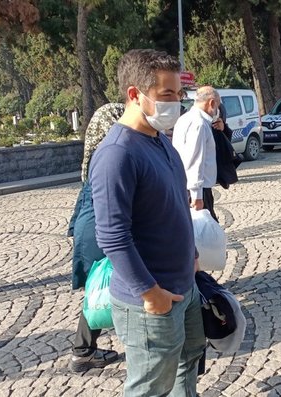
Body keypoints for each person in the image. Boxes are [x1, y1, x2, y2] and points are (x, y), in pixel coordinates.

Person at [89, 49, 205, 396]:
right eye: (166, 95)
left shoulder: (159, 141)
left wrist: (193, 254)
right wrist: (150, 293)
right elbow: (112, 236)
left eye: (179, 94)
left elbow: (175, 205)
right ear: (135, 95)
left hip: (184, 286)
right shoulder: (117, 154)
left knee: (188, 365)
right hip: (151, 301)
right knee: (149, 388)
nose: (176, 102)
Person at [67, 102, 124, 372]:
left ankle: (83, 350)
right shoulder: (111, 158)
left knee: (97, 290)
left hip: (87, 231)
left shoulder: (92, 160)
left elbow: (82, 200)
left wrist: (74, 230)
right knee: (105, 289)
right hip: (101, 233)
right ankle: (83, 352)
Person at [172, 86, 220, 221]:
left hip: (185, 185)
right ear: (211, 103)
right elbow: (195, 161)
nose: (218, 110)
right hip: (198, 190)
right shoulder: (199, 124)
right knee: (204, 234)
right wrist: (197, 196)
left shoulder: (185, 118)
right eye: (218, 105)